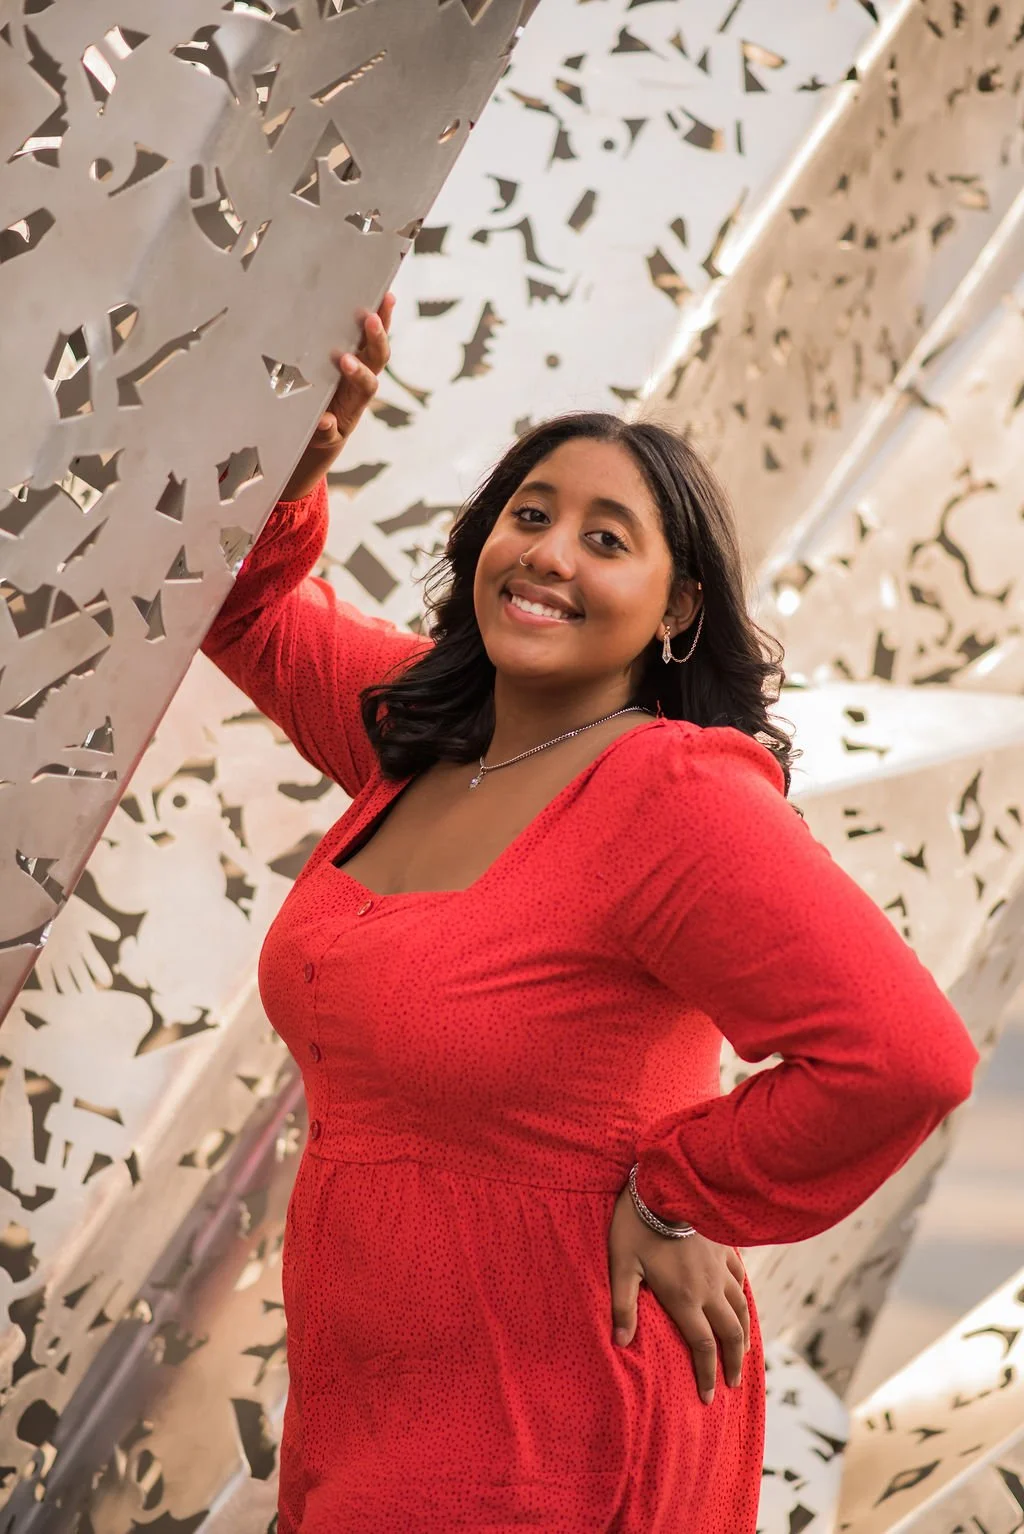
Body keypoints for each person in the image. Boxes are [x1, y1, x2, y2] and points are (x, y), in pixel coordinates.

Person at [201, 294, 979, 1534]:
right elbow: (237, 609)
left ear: (676, 611)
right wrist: (295, 470)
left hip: (553, 1395)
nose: (551, 553)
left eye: (607, 538)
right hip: (372, 1384)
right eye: (530, 515)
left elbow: (904, 1058)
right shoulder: (420, 725)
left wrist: (681, 1193)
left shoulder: (670, 797)